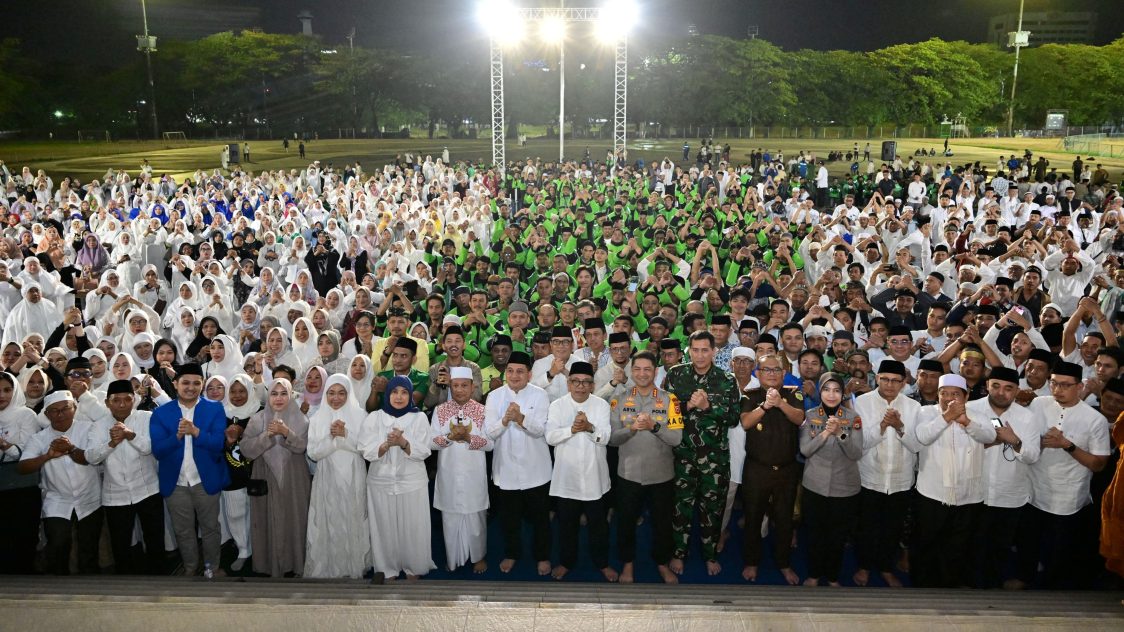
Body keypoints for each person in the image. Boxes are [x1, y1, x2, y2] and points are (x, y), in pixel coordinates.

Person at [662, 330, 741, 577]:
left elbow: (732, 418)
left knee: (713, 509)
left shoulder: (727, 379)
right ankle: (678, 553)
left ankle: (710, 555)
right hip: (682, 455)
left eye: (705, 350)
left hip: (715, 458)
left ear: (714, 351)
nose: (699, 355)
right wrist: (688, 406)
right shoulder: (676, 374)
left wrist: (708, 408)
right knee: (680, 508)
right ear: (689, 350)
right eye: (695, 350)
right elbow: (667, 413)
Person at [1025, 360, 1110, 588]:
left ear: (1079, 387)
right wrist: (1042, 442)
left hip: (1068, 498)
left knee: (1058, 553)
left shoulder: (1095, 420)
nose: (1057, 390)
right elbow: (1026, 441)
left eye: (1065, 385)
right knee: (1029, 546)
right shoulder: (1038, 404)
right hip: (1032, 491)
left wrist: (1067, 445)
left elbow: (1099, 464)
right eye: (1054, 384)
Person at [913, 374, 996, 588]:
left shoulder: (978, 415)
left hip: (968, 494)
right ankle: (924, 589)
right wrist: (946, 417)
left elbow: (989, 436)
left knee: (959, 546)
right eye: (944, 394)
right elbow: (922, 436)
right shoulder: (925, 412)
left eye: (954, 394)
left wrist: (966, 422)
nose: (948, 398)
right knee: (928, 544)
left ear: (965, 396)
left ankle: (953, 591)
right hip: (932, 493)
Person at [608, 351, 683, 584]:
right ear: (631, 371)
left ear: (655, 371)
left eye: (647, 369)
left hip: (661, 475)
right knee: (626, 522)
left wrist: (654, 426)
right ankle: (627, 564)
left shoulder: (671, 400)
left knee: (662, 524)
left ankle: (661, 563)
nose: (642, 373)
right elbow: (612, 439)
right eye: (637, 369)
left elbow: (677, 439)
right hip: (628, 474)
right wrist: (630, 430)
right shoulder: (618, 399)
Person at [150, 363, 230, 577]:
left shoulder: (214, 408)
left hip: (205, 480)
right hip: (175, 483)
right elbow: (158, 450)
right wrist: (176, 437)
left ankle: (212, 568)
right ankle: (189, 568)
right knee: (183, 530)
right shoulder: (161, 413)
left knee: (211, 528)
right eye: (185, 382)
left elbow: (218, 444)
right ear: (175, 384)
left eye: (196, 383)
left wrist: (196, 432)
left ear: (202, 385)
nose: (191, 387)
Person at [852, 359, 922, 587]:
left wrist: (900, 427)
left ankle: (885, 568)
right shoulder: (861, 403)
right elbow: (859, 443)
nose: (889, 385)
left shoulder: (913, 407)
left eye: (895, 381)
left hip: (900, 479)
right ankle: (863, 566)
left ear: (903, 383)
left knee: (893, 528)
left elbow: (916, 446)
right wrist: (883, 426)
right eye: (885, 380)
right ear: (877, 379)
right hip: (869, 476)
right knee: (866, 527)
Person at [358, 376, 435, 581]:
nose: (399, 397)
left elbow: (425, 450)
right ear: (387, 394)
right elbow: (365, 448)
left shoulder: (419, 418)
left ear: (410, 395)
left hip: (411, 481)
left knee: (413, 526)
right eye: (394, 392)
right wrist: (384, 446)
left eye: (404, 392)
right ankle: (387, 568)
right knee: (383, 526)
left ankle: (414, 567)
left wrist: (402, 442)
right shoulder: (374, 418)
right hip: (380, 481)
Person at [84, 379, 164, 574]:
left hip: (148, 489)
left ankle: (160, 582)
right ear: (107, 403)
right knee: (121, 545)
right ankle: (125, 589)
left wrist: (130, 435)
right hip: (115, 495)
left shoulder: (145, 417)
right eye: (116, 400)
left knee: (155, 540)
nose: (122, 404)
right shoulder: (98, 426)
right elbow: (91, 457)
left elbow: (150, 449)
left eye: (127, 399)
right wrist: (111, 443)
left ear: (134, 400)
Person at [18, 391, 102, 574]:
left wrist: (71, 449)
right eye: (54, 411)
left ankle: (90, 592)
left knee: (88, 549)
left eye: (66, 409)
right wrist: (47, 456)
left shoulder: (89, 428)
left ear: (75, 408)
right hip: (56, 500)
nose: (60, 414)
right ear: (47, 415)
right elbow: (23, 467)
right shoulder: (39, 438)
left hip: (90, 498)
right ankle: (57, 590)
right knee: (57, 545)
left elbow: (93, 458)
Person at [484, 350, 553, 575]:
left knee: (541, 519)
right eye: (511, 371)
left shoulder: (540, 395)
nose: (514, 376)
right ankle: (512, 553)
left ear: (529, 374)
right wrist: (505, 420)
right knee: (509, 520)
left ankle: (542, 556)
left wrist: (521, 418)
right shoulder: (494, 397)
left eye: (520, 371)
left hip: (536, 470)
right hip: (506, 470)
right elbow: (489, 433)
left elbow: (540, 430)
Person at [740, 353, 806, 584]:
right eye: (766, 370)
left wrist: (780, 403)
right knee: (753, 517)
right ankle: (751, 562)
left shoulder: (793, 393)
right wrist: (766, 406)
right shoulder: (750, 394)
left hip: (787, 470)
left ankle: (784, 563)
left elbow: (800, 419)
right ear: (757, 373)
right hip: (757, 469)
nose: (771, 374)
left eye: (776, 370)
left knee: (784, 519)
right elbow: (746, 422)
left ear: (783, 372)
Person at [545, 361, 615, 581]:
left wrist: (590, 427)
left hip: (595, 477)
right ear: (568, 383)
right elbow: (550, 437)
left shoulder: (601, 405)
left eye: (586, 382)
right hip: (567, 478)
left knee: (599, 526)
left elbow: (605, 438)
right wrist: (572, 429)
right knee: (567, 526)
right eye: (576, 381)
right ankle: (566, 562)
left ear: (593, 385)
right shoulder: (557, 406)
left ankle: (602, 563)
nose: (581, 386)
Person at [240, 378, 311, 578]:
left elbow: (303, 447)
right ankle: (269, 565)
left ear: (290, 396)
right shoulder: (258, 419)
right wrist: (267, 436)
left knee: (296, 519)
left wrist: (286, 433)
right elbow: (245, 450)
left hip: (294, 478)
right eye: (274, 393)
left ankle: (296, 564)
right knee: (266, 519)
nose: (278, 398)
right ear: (268, 396)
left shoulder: (301, 419)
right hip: (265, 475)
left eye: (283, 393)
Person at [799, 372, 863, 586]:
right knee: (815, 534)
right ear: (820, 391)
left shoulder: (853, 417)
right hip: (814, 485)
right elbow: (805, 450)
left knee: (837, 537)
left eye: (836, 390)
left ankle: (834, 577)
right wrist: (825, 434)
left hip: (844, 487)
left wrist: (840, 434)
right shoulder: (809, 415)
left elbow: (855, 453)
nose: (831, 394)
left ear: (842, 393)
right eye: (826, 389)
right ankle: (815, 574)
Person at [430, 366, 491, 573]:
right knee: (450, 517)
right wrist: (449, 437)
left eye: (464, 386)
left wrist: (468, 438)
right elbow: (431, 443)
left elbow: (490, 444)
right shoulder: (440, 410)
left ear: (472, 387)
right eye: (455, 386)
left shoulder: (482, 410)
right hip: (449, 471)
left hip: (473, 472)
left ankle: (479, 557)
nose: (459, 390)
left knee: (476, 518)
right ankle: (452, 558)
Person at [0, 372, 42, 574]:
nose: (2, 395)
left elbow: (28, 452)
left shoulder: (26, 415)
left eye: (7, 390)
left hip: (22, 486)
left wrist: (4, 445)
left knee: (22, 536)